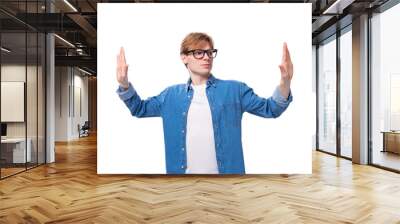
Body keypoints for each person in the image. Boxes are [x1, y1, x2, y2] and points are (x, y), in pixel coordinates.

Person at [116, 32, 293, 174]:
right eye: (199, 52)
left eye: (210, 52)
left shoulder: (235, 90)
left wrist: (285, 81)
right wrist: (124, 83)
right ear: (184, 57)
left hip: (227, 183)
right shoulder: (170, 95)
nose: (207, 57)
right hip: (181, 183)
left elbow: (271, 109)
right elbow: (139, 109)